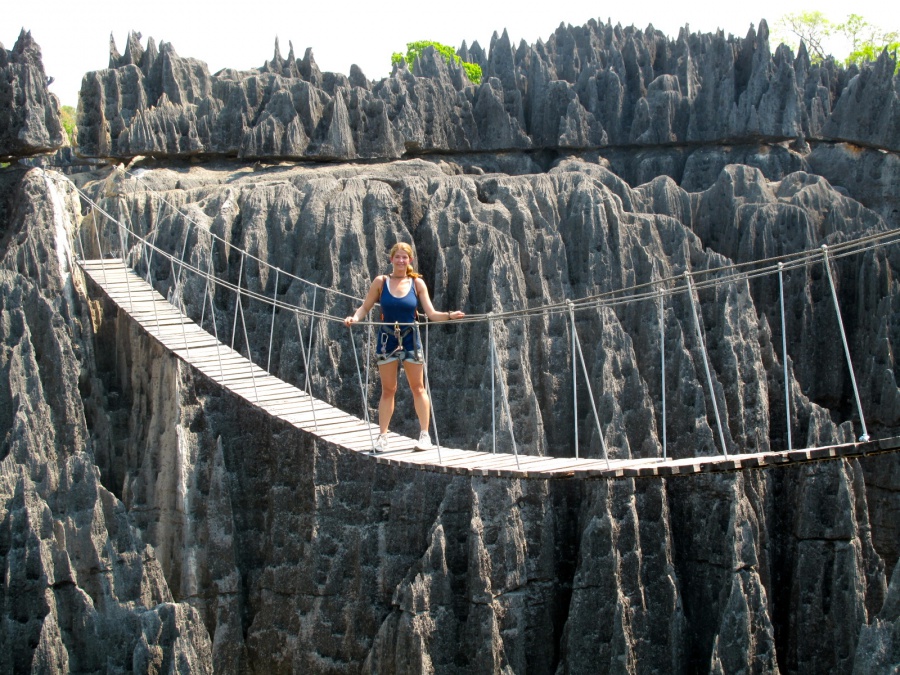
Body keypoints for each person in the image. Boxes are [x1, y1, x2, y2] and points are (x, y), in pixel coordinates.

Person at [345, 243, 464, 453]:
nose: (401, 261)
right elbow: (366, 306)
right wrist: (354, 318)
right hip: (387, 340)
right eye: (397, 257)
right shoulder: (381, 282)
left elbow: (431, 313)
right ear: (391, 259)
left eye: (405, 257)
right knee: (388, 390)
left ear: (410, 261)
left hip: (410, 339)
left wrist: (449, 315)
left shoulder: (417, 284)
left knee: (418, 387)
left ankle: (425, 435)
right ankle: (383, 437)